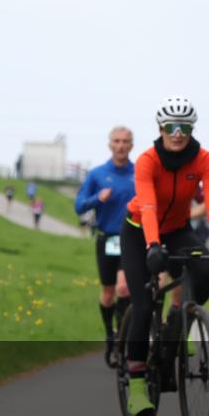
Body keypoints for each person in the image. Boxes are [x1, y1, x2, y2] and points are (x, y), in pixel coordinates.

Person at [120, 96, 209, 416]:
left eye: (183, 127)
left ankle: (177, 323)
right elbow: (147, 206)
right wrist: (152, 245)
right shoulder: (147, 160)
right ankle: (138, 386)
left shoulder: (204, 160)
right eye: (170, 126)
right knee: (143, 305)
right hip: (138, 230)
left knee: (206, 272)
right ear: (160, 128)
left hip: (177, 230)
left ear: (191, 129)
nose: (177, 133)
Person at [74, 126, 136, 367]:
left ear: (132, 145)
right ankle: (110, 335)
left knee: (124, 288)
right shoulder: (97, 174)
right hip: (106, 238)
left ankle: (122, 336)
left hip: (130, 239)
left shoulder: (138, 173)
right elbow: (79, 206)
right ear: (110, 145)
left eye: (126, 141)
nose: (121, 145)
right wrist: (96, 199)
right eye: (117, 141)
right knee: (108, 293)